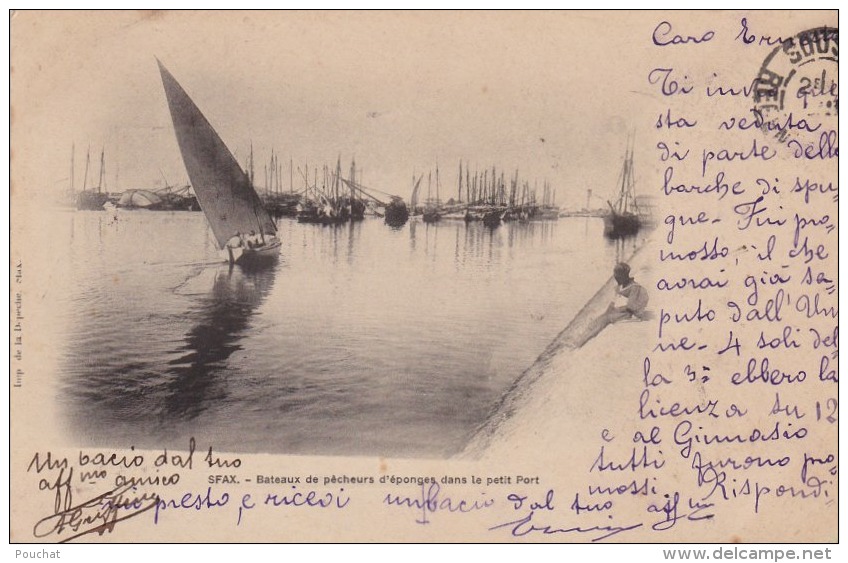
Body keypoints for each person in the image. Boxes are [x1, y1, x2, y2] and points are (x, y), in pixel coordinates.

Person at [571, 262, 649, 348]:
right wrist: (608, 311)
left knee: (605, 319)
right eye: (615, 276)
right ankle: (580, 339)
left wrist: (616, 310)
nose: (616, 278)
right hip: (621, 311)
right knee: (598, 319)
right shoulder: (620, 286)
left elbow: (631, 307)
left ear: (624, 275)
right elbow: (614, 301)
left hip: (630, 313)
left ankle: (581, 343)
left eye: (618, 276)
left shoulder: (634, 287)